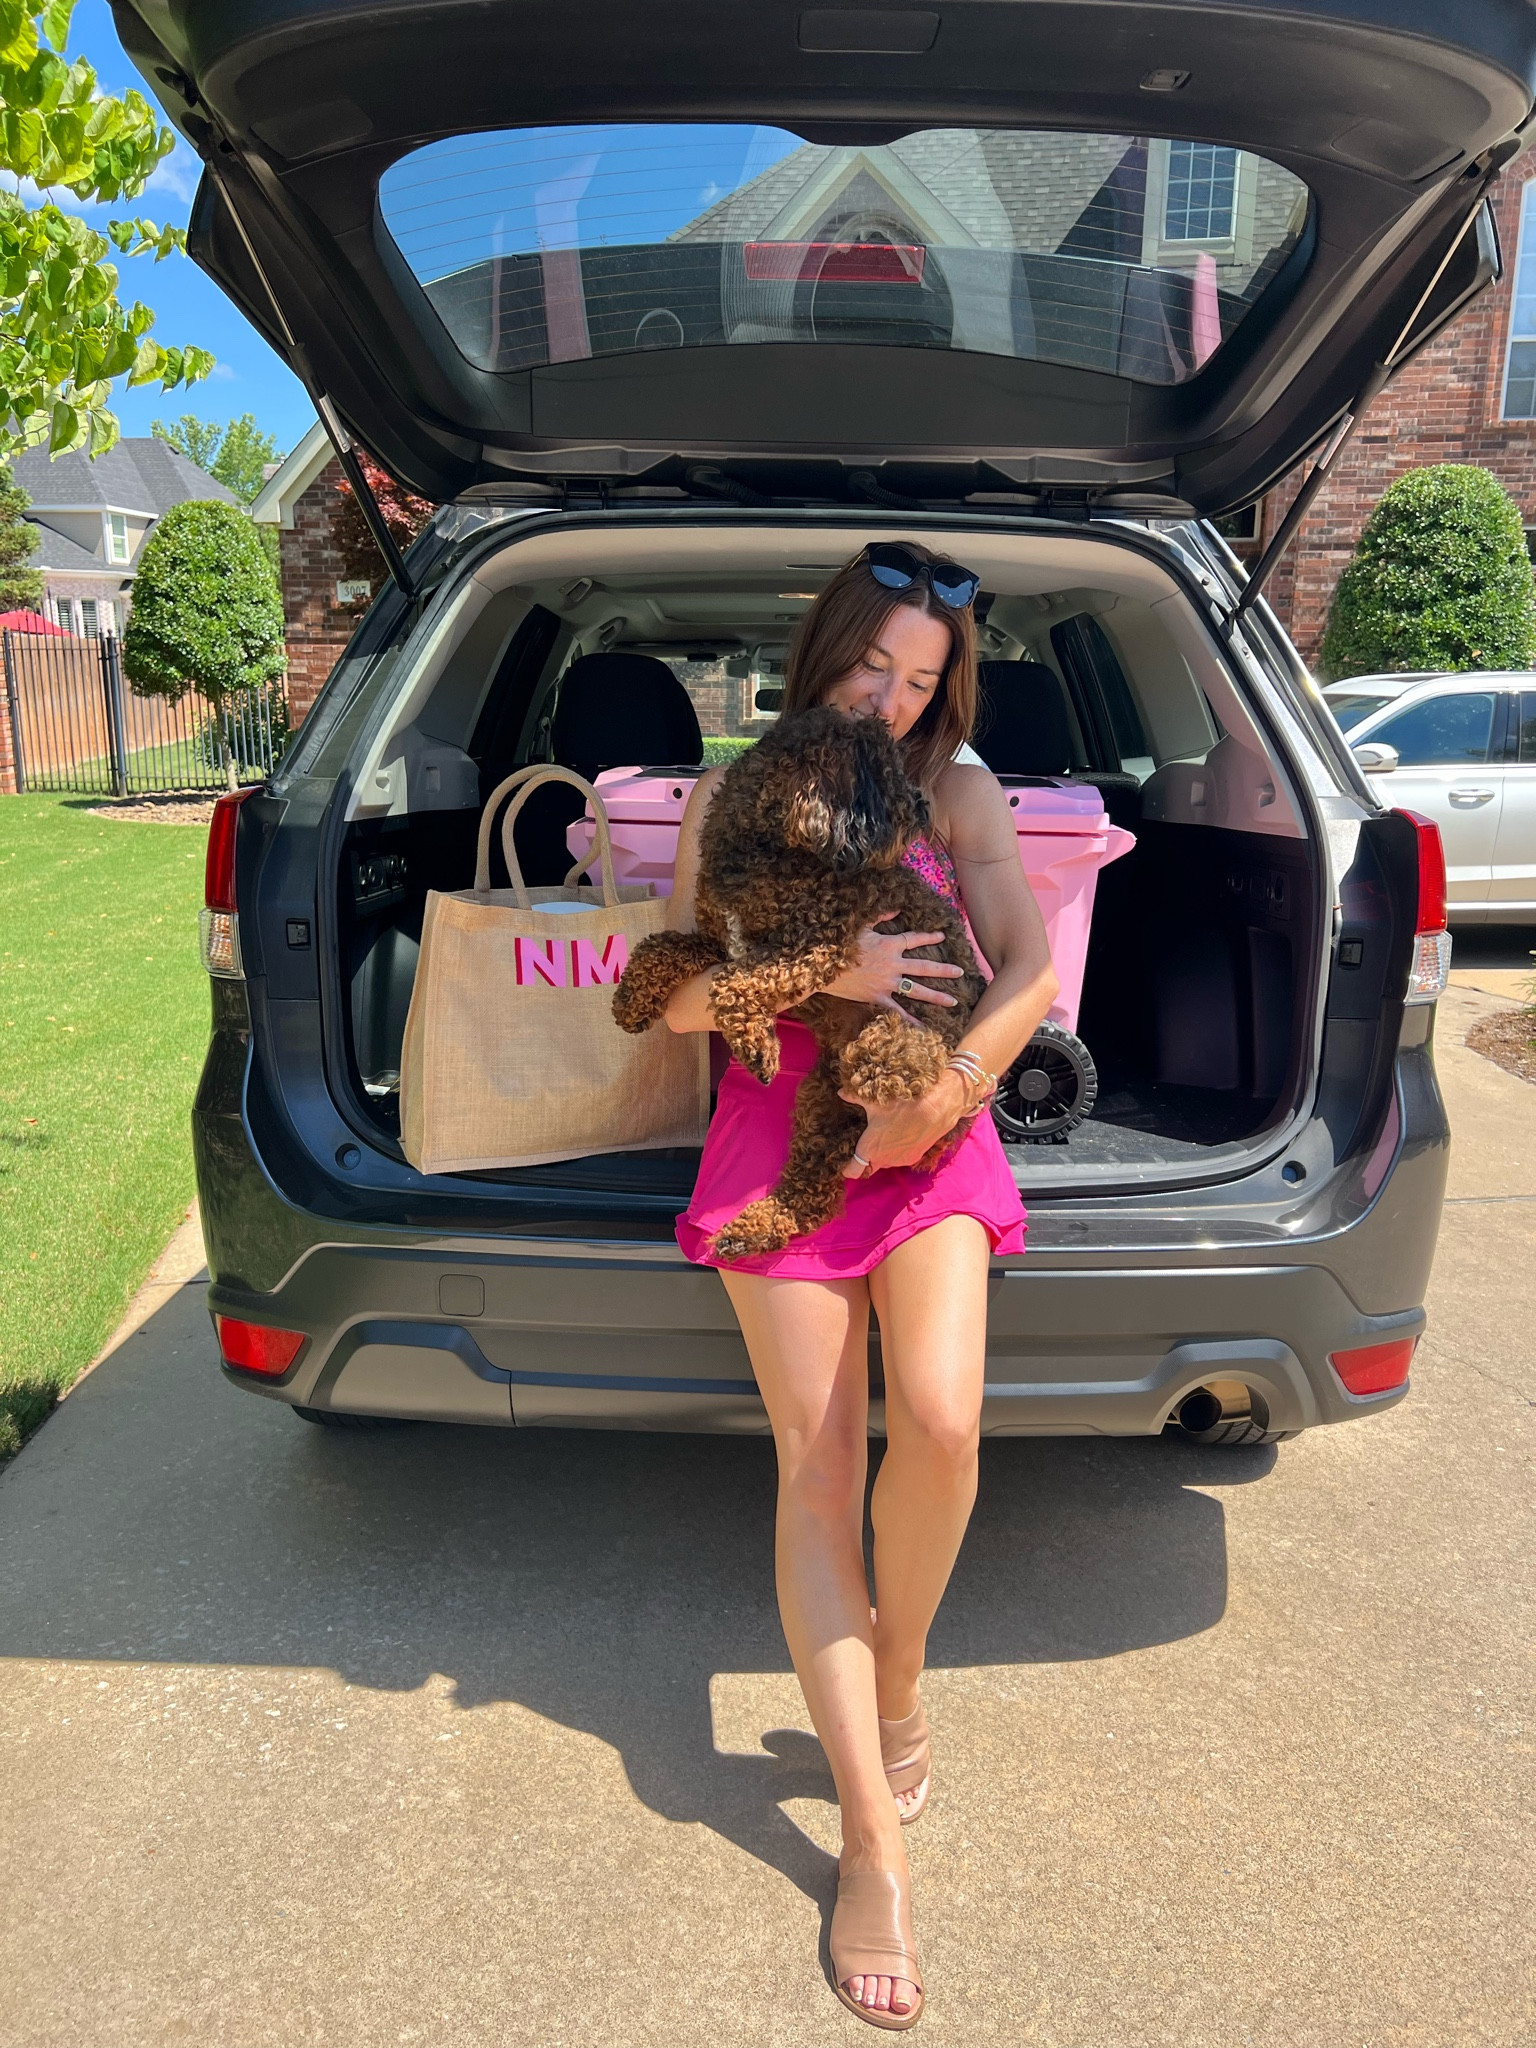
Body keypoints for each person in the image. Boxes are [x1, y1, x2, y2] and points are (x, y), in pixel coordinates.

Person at [662, 541, 1059, 2028]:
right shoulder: (732, 789)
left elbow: (1028, 966)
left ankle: (895, 1682)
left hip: (934, 1126)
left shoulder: (957, 793)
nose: (890, 702)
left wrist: (951, 1090)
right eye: (868, 667)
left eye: (922, 679)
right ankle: (871, 1844)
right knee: (818, 1466)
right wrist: (829, 973)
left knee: (945, 1426)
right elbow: (678, 987)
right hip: (780, 1139)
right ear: (817, 647)